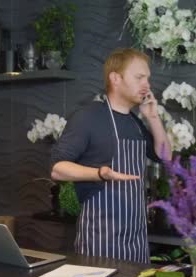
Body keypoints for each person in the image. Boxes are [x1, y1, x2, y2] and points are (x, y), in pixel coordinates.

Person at [50, 48, 171, 263]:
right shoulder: (88, 117)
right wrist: (100, 173)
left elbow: (165, 156)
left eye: (148, 79)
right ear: (116, 78)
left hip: (136, 241)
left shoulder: (134, 122)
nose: (147, 85)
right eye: (139, 77)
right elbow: (58, 169)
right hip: (100, 239)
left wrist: (152, 117)